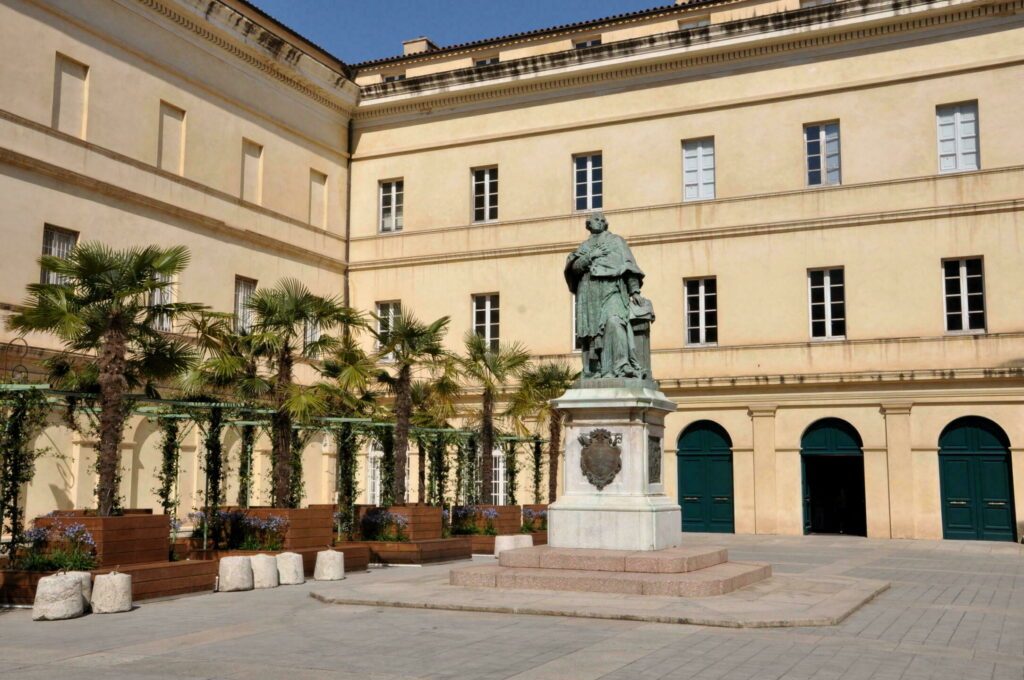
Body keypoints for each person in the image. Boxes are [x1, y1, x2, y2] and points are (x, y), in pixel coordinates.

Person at [564, 213, 646, 379]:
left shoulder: (616, 241)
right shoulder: (584, 247)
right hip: (589, 291)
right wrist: (589, 257)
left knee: (615, 322)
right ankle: (598, 369)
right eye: (596, 219)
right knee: (592, 333)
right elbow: (574, 268)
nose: (600, 222)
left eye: (603, 221)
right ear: (588, 224)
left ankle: (621, 366)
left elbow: (628, 266)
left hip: (612, 288)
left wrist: (634, 290)